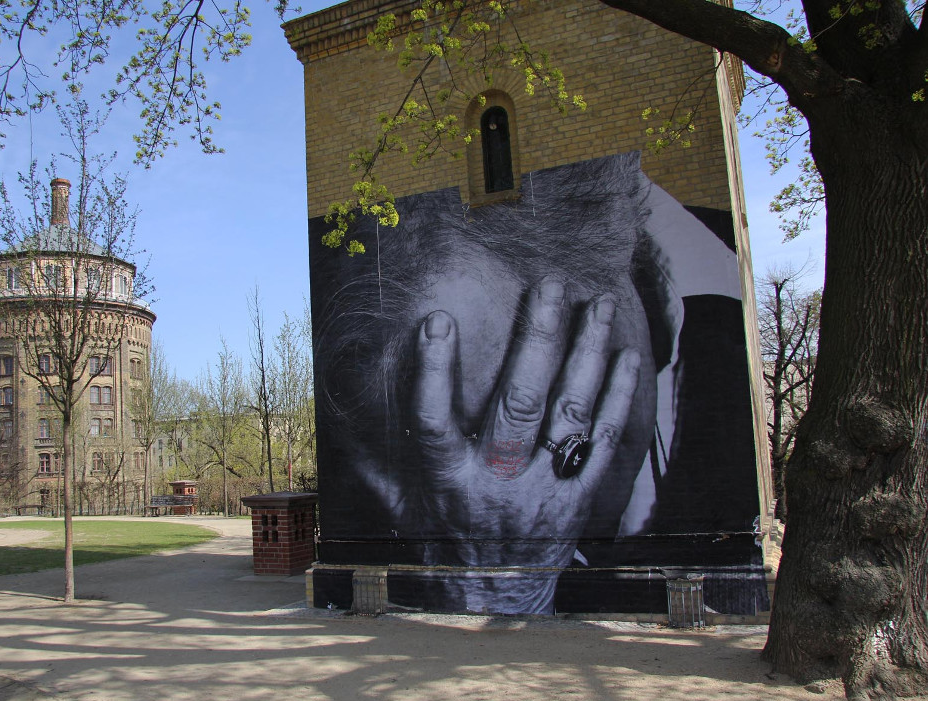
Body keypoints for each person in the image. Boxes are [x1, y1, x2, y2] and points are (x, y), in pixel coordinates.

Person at [310, 152, 762, 614]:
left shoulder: (729, 318)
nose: (532, 499)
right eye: (482, 432)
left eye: (575, 386)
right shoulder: (368, 501)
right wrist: (503, 589)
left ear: (634, 288)